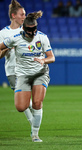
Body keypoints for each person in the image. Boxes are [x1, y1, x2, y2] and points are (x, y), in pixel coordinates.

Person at [0, 10, 55, 142]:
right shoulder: (15, 38)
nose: (32, 32)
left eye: (34, 29)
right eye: (29, 30)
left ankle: (35, 135)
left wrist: (43, 60)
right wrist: (6, 50)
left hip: (40, 73)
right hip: (23, 75)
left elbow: (51, 57)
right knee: (20, 107)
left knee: (37, 103)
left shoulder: (42, 37)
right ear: (23, 28)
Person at [0, 0, 34, 134]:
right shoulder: (3, 33)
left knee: (29, 101)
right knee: (25, 101)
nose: (24, 17)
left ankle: (34, 126)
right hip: (13, 70)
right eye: (22, 14)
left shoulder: (27, 31)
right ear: (14, 16)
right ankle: (33, 126)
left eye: (25, 14)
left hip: (28, 69)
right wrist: (7, 49)